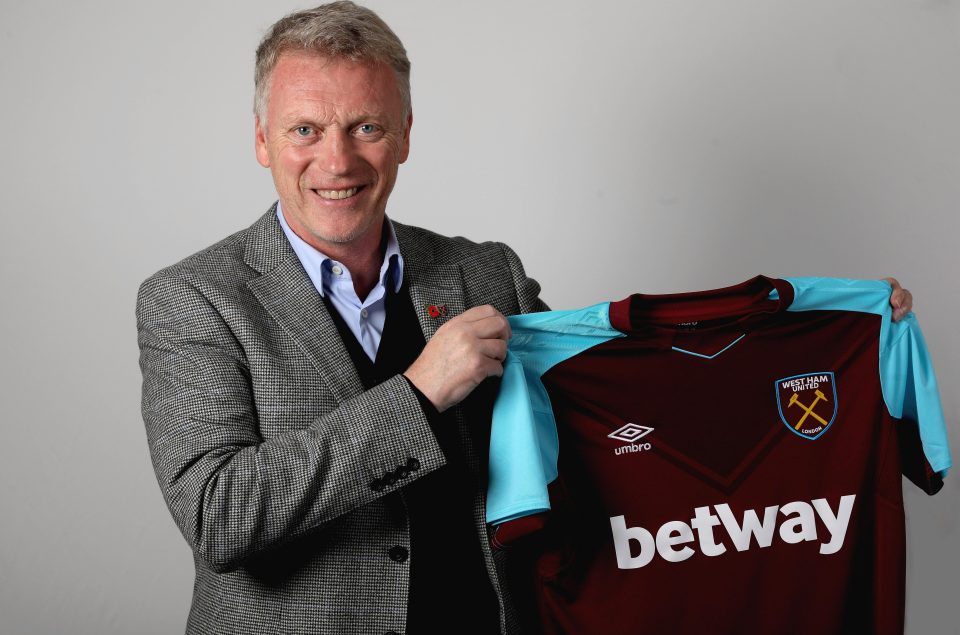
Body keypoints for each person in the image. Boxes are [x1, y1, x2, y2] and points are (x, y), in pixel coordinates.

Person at [135, 3, 913, 634]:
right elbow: (220, 515)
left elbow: (611, 394)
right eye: (306, 129)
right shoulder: (193, 299)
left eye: (366, 126)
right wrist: (417, 393)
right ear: (262, 140)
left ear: (404, 135)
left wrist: (822, 328)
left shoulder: (485, 274)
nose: (337, 160)